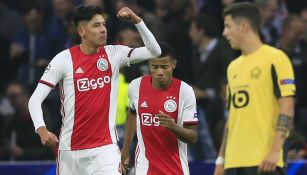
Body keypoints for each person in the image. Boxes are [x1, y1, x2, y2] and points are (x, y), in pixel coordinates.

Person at [28, 4, 161, 175]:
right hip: (70, 151)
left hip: (105, 149)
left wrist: (137, 21)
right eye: (96, 25)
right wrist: (42, 129)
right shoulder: (64, 60)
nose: (103, 30)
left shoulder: (114, 54)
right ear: (82, 31)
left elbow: (154, 51)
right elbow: (35, 99)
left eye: (104, 24)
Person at [214, 2, 295, 175]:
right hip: (234, 163)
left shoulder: (276, 58)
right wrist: (221, 160)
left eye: (228, 26)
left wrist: (275, 150)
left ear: (244, 26)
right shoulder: (233, 67)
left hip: (264, 162)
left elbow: (287, 107)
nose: (224, 33)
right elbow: (232, 119)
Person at [121, 43, 198, 175]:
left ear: (173, 64)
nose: (159, 72)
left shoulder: (185, 91)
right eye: (154, 67)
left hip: (176, 168)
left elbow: (193, 137)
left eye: (164, 67)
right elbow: (132, 113)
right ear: (149, 65)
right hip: (144, 168)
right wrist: (126, 148)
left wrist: (174, 127)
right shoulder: (136, 86)